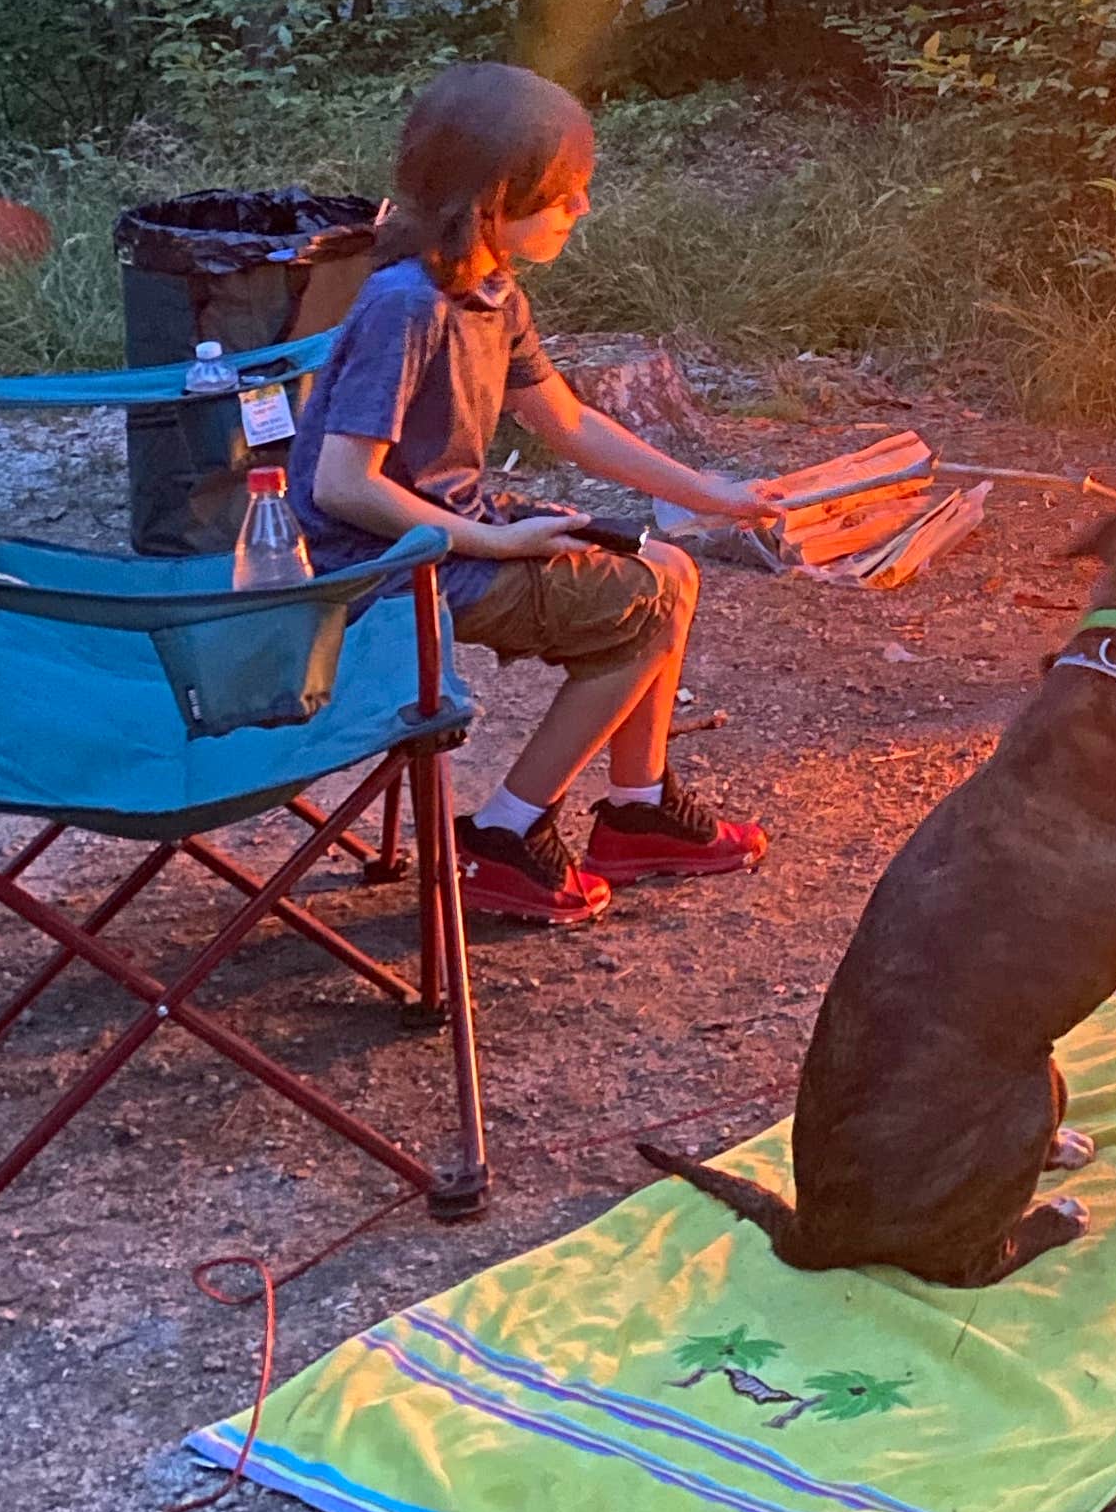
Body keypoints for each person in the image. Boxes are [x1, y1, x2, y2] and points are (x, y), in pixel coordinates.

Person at [289, 60, 776, 926]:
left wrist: (711, 494)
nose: (580, 209)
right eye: (564, 193)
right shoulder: (407, 306)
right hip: (385, 568)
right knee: (646, 595)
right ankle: (507, 834)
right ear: (493, 195)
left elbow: (567, 422)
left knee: (672, 565)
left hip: (451, 534)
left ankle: (636, 806)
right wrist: (500, 543)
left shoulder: (486, 288)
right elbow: (342, 485)